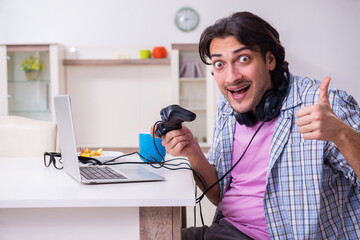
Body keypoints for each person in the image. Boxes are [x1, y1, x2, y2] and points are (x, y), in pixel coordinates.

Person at [154, 11, 360, 239]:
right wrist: (192, 151)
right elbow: (219, 196)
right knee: (155, 234)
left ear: (270, 60)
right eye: (220, 64)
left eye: (243, 59)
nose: (231, 77)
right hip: (229, 230)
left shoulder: (323, 105)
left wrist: (342, 135)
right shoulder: (228, 106)